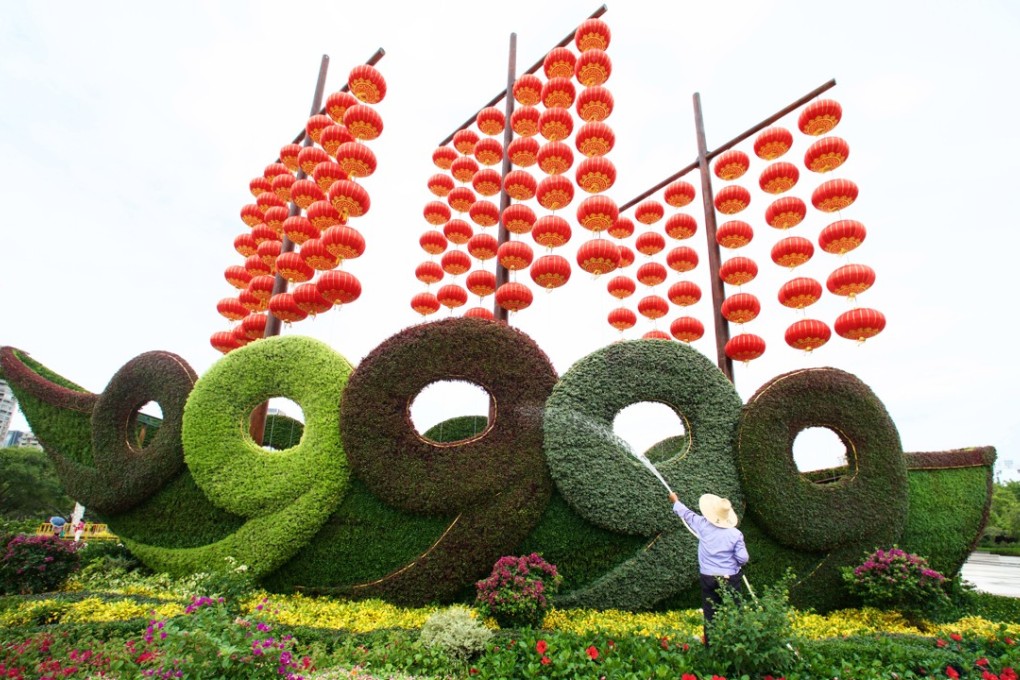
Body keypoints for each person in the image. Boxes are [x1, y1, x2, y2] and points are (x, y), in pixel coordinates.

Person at [668, 491, 749, 646]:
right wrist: (735, 561)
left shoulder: (703, 525)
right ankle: (737, 645)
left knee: (710, 614)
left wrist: (675, 501)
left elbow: (687, 514)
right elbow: (743, 558)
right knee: (735, 612)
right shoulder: (735, 534)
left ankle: (710, 648)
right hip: (730, 578)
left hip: (708, 578)